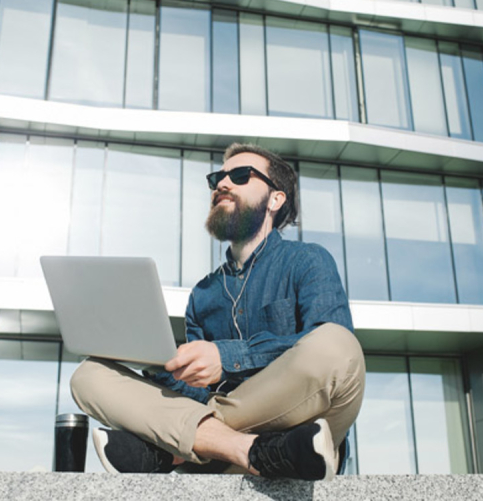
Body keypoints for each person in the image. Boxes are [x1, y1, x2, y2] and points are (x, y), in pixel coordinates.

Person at [71, 143, 365, 481]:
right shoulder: (202, 294)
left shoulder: (308, 260)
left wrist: (226, 357)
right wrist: (162, 366)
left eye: (240, 176)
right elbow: (197, 394)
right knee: (89, 376)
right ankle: (247, 450)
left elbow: (331, 347)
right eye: (217, 178)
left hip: (302, 416)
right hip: (291, 445)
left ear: (275, 199)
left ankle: (175, 447)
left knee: (336, 345)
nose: (222, 184)